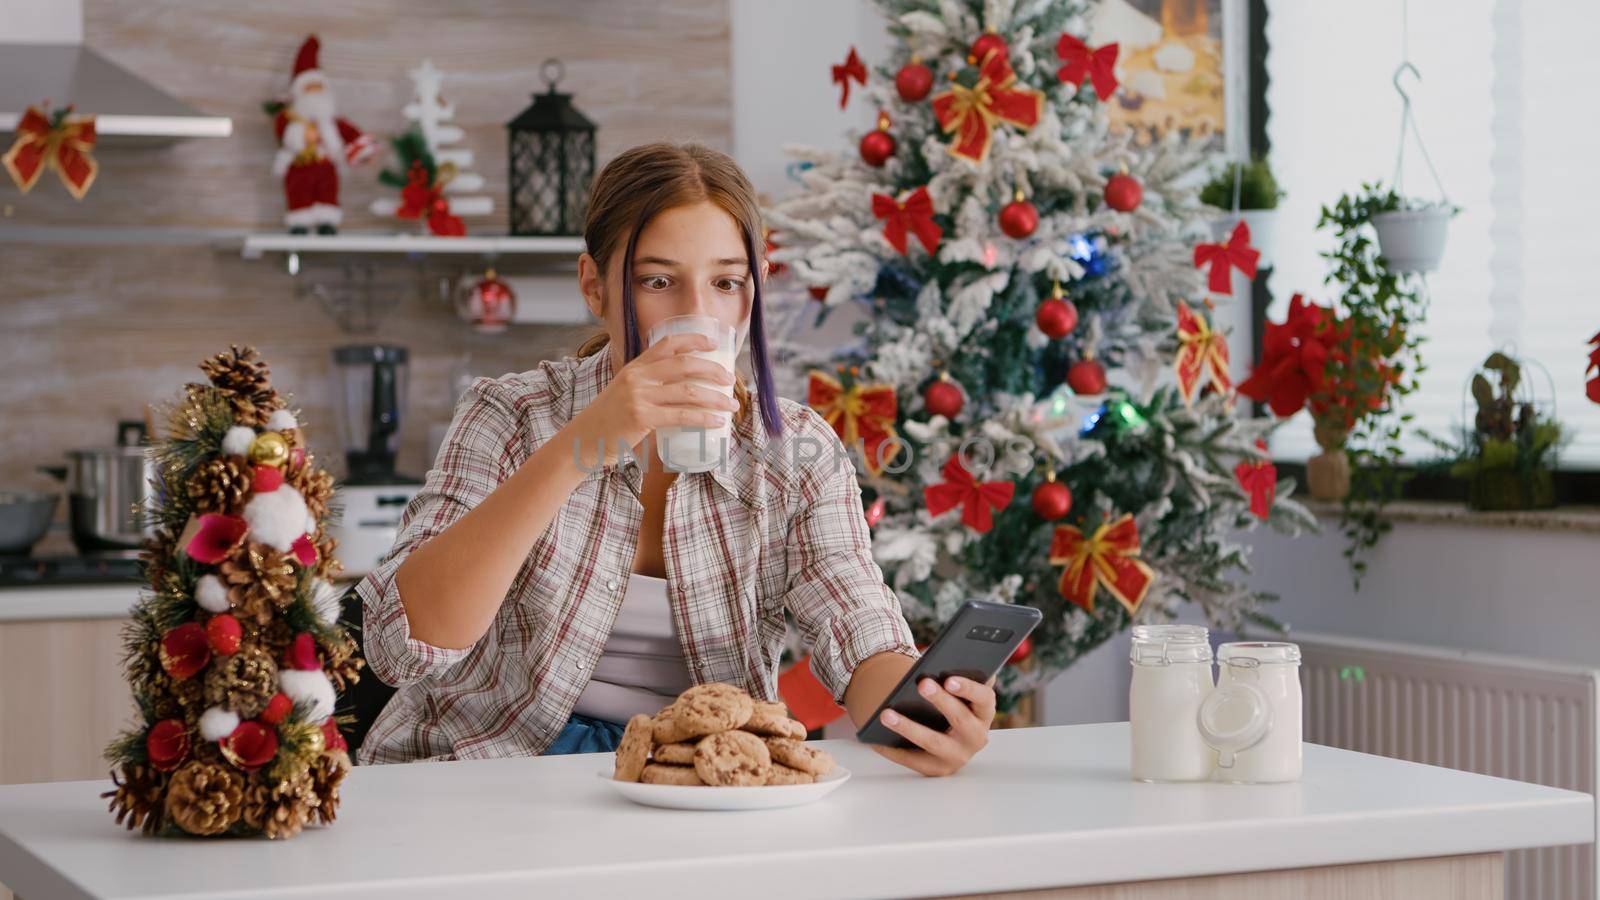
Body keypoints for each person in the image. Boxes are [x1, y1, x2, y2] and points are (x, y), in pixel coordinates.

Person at [355, 141, 995, 777]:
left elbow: (857, 628)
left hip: (692, 784)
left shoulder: (795, 453)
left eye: (725, 283)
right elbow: (402, 646)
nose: (697, 313)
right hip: (485, 769)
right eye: (657, 281)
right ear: (593, 286)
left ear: (755, 291)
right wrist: (582, 445)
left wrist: (928, 712)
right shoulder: (509, 415)